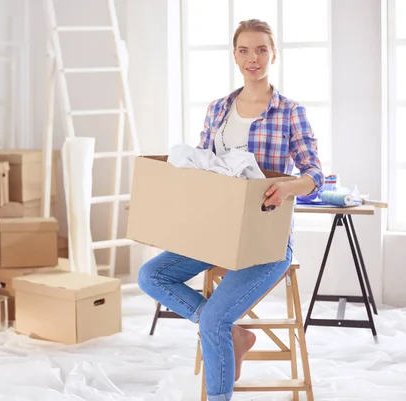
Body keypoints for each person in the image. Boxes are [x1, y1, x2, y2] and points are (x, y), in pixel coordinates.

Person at [137, 19, 324, 401]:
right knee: (151, 275)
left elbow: (315, 175)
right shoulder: (218, 109)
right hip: (215, 234)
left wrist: (289, 187)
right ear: (235, 55)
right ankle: (236, 335)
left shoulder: (290, 112)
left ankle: (220, 382)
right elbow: (204, 169)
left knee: (214, 318)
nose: (252, 58)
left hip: (265, 241)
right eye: (244, 50)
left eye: (260, 50)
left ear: (273, 54)